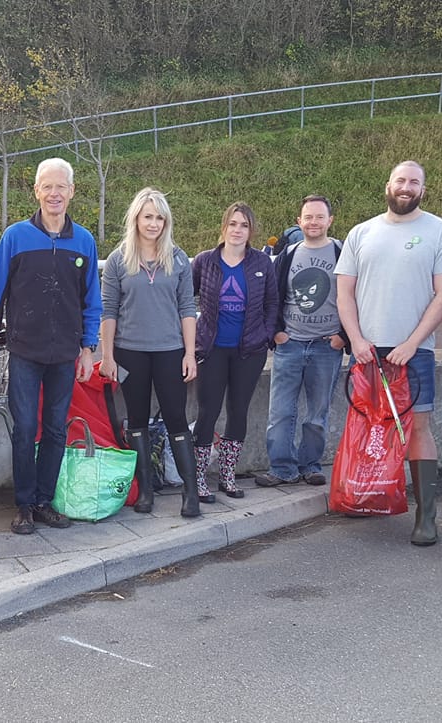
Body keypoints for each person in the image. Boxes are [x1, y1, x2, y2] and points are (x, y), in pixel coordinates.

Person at [0, 157, 101, 535]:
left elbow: (92, 299)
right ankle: (24, 505)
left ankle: (45, 501)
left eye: (62, 186)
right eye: (48, 186)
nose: (55, 193)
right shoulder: (16, 237)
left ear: (72, 191)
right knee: (26, 428)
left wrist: (89, 348)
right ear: (37, 191)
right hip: (24, 350)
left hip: (65, 353)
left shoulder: (84, 241)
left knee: (56, 429)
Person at [335, 160, 442, 546]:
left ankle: (427, 516)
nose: (406, 187)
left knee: (418, 428)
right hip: (367, 351)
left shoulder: (441, 232)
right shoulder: (362, 233)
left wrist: (412, 343)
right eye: (400, 180)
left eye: (414, 182)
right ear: (387, 185)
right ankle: (364, 495)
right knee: (369, 426)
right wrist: (356, 340)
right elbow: (344, 294)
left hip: (414, 350)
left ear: (422, 189)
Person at [99, 188, 200, 517]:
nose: (153, 223)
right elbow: (108, 311)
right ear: (136, 219)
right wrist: (108, 356)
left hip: (170, 351)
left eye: (159, 217)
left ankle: (190, 491)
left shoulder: (179, 258)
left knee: (176, 419)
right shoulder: (118, 260)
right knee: (137, 420)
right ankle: (146, 491)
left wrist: (189, 353)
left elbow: (187, 307)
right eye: (148, 216)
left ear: (166, 221)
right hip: (130, 353)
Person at [190, 202, 279, 511]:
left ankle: (228, 474)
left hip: (248, 351)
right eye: (233, 223)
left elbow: (272, 303)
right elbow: (185, 301)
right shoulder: (205, 262)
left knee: (238, 410)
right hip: (212, 349)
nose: (238, 230)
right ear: (224, 227)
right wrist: (187, 341)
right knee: (208, 410)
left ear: (250, 230)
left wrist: (265, 335)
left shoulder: (262, 264)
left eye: (244, 225)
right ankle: (198, 476)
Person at [262, 195, 347, 488]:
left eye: (319, 217)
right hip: (291, 343)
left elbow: (355, 296)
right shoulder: (288, 254)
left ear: (330, 220)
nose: (313, 222)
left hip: (327, 346)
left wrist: (343, 338)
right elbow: (271, 296)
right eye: (308, 217)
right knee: (280, 411)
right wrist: (276, 334)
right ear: (299, 221)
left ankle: (310, 464)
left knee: (317, 413)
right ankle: (282, 468)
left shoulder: (342, 253)